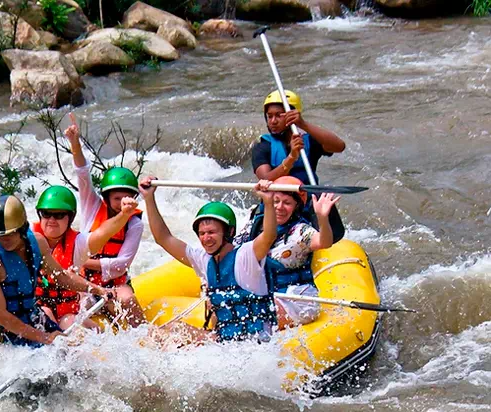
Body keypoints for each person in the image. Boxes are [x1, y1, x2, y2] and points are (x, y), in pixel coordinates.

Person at [0, 172, 113, 346]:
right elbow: (0, 315)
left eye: (9, 235)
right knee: (56, 350)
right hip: (8, 330)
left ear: (22, 228)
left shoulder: (37, 242)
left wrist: (97, 289)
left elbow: (62, 277)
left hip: (33, 315)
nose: (4, 240)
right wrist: (44, 338)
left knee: (70, 348)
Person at [141, 175, 279, 342]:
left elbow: (269, 235)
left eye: (212, 232)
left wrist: (269, 202)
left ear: (229, 232)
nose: (206, 238)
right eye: (202, 233)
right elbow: (163, 238)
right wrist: (149, 198)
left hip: (255, 342)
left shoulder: (246, 255)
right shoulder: (204, 260)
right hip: (224, 341)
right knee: (168, 330)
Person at [64, 113, 147, 327]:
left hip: (115, 283)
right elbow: (82, 173)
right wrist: (75, 144)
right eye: (116, 198)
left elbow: (121, 265)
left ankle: (147, 336)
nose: (121, 203)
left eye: (125, 197)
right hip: (83, 281)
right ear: (107, 197)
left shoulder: (135, 223)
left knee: (127, 299)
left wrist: (81, 260)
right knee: (76, 312)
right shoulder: (92, 205)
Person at [31, 184, 140, 330]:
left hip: (67, 310)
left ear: (69, 218)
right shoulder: (29, 236)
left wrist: (124, 214)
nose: (51, 219)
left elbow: (102, 233)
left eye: (59, 215)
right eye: (46, 214)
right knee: (45, 316)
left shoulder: (77, 244)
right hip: (38, 308)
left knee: (82, 327)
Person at [252, 89, 346, 242]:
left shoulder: (308, 141)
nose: (273, 121)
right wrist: (291, 158)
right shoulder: (263, 146)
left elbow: (339, 146)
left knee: (327, 227)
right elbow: (265, 179)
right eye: (269, 116)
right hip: (278, 205)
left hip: (307, 202)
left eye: (279, 115)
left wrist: (303, 124)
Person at [256, 176, 339, 329]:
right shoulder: (255, 227)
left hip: (296, 298)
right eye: (276, 201)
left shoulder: (301, 231)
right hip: (268, 294)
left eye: (287, 203)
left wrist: (322, 218)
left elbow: (324, 242)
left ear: (296, 207)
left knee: (254, 314)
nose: (280, 207)